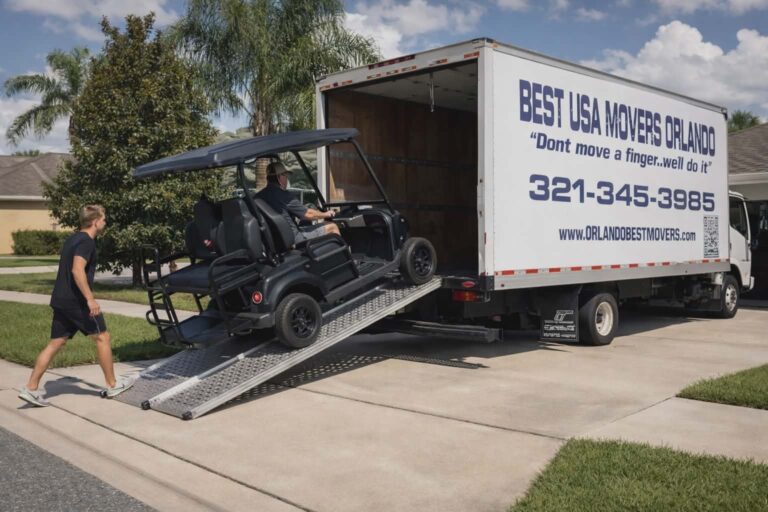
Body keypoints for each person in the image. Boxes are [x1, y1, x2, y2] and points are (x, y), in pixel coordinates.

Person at [18, 205, 133, 407]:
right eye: (103, 219)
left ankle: (31, 388)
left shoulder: (72, 239)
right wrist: (90, 299)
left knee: (56, 342)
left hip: (61, 299)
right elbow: (77, 270)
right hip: (77, 302)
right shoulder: (86, 241)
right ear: (95, 221)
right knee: (102, 337)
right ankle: (113, 385)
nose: (105, 222)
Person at [256, 161, 340, 242]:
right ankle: (344, 252)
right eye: (286, 176)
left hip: (277, 241)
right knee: (332, 226)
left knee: (305, 223)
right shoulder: (284, 196)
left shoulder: (258, 197)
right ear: (279, 177)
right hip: (295, 239)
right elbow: (308, 214)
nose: (287, 179)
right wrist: (326, 214)